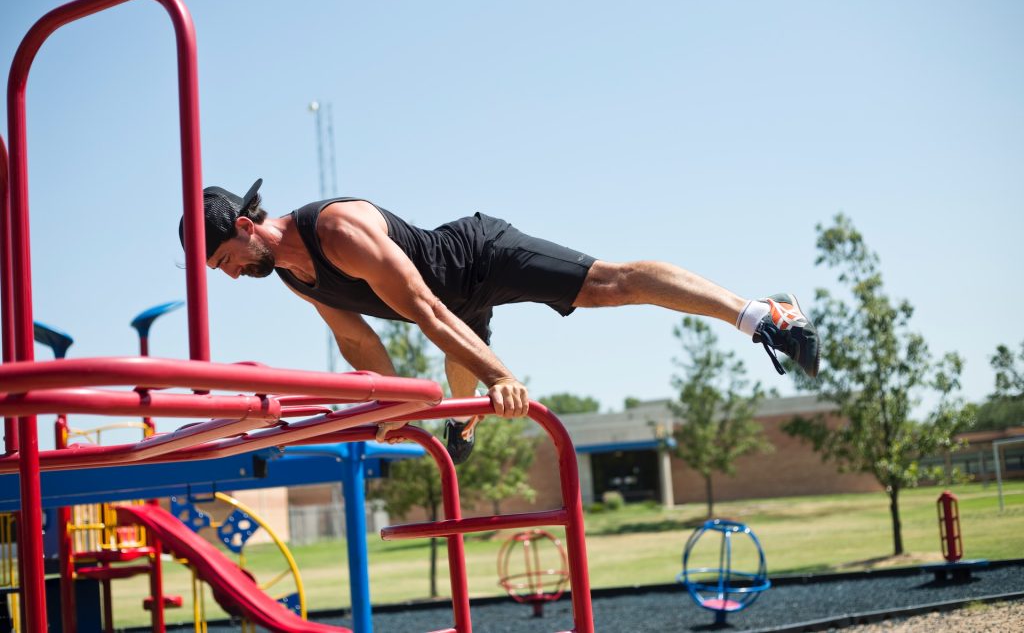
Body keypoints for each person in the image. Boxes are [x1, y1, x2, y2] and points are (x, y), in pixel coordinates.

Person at [179, 180, 820, 463]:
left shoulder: (336, 228)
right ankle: (460, 430)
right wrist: (395, 409)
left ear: (244, 227)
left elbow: (425, 308)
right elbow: (355, 336)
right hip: (450, 313)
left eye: (226, 260)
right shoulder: (292, 275)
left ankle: (763, 314)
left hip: (480, 258)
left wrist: (500, 376)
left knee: (610, 285)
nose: (231, 274)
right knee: (454, 384)